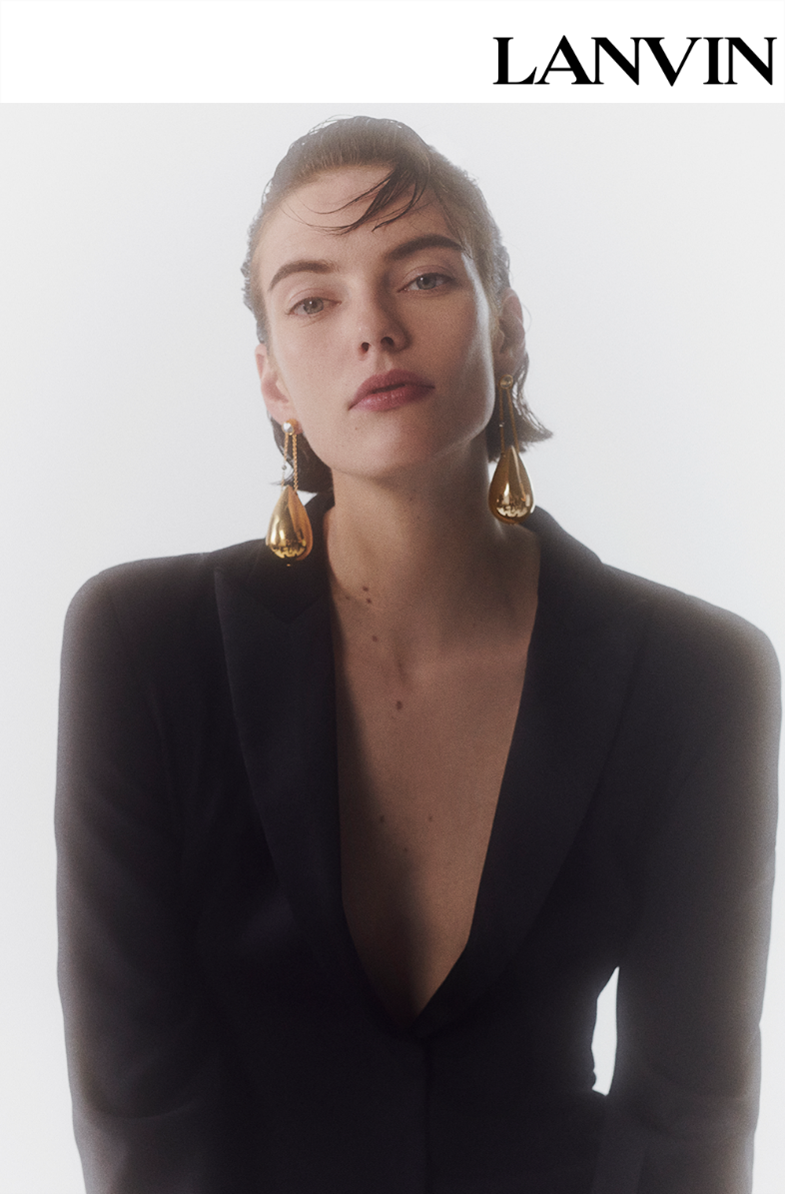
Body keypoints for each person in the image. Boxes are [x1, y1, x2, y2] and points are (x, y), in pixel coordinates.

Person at [56, 116, 780, 1194]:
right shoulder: (142, 644)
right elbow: (138, 1101)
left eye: (425, 278)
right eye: (313, 300)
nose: (374, 329)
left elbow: (690, 1108)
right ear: (272, 382)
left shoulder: (697, 676)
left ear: (506, 329)